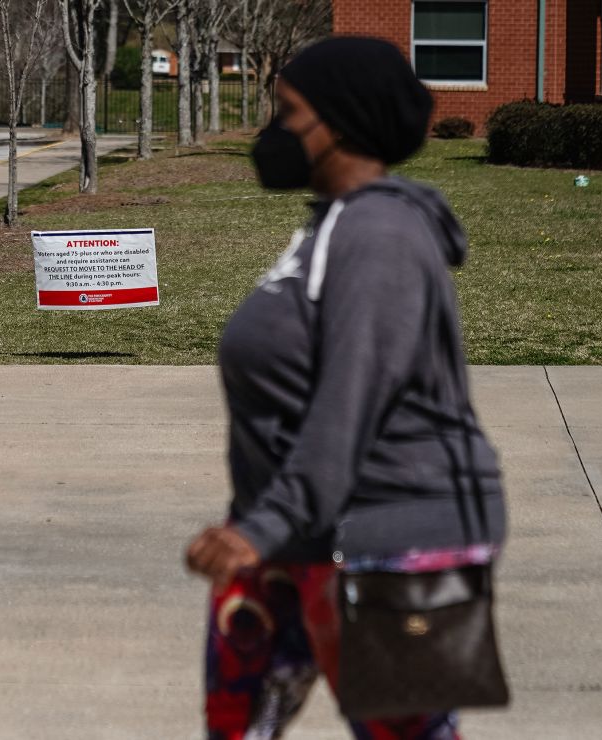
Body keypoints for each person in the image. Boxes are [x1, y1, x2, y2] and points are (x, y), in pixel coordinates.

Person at [184, 37, 506, 740]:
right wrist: (261, 520)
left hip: (396, 537)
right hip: (299, 530)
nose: (274, 129)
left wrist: (259, 530)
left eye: (286, 111)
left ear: (339, 122)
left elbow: (351, 403)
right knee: (235, 723)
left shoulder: (381, 235)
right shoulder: (330, 226)